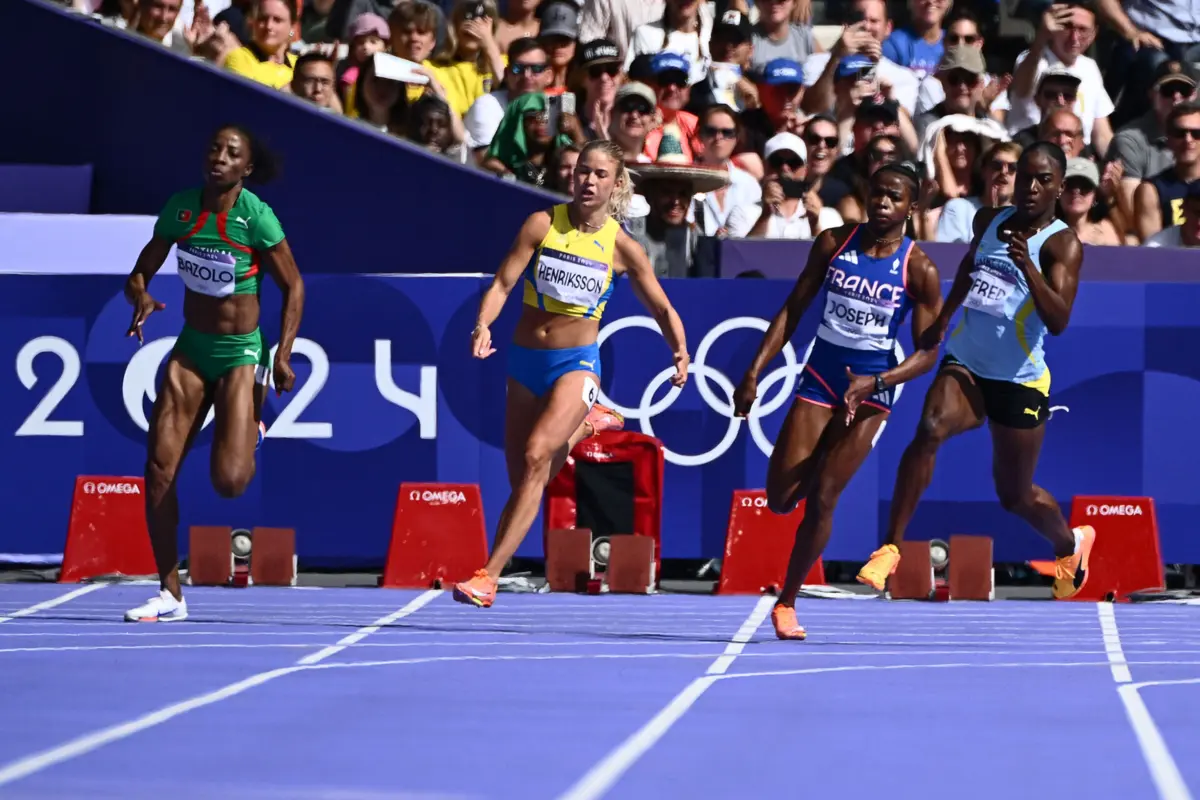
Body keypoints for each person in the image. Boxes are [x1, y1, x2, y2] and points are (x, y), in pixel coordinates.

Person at [454, 139, 691, 608]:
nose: (589, 181)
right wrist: (483, 324)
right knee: (525, 477)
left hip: (576, 365)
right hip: (525, 361)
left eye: (600, 174)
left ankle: (488, 576)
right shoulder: (541, 224)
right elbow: (503, 283)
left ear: (616, 185)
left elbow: (661, 307)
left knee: (537, 454)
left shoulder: (621, 247)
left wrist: (680, 350)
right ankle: (586, 425)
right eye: (583, 170)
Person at [859, 142, 1096, 601]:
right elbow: (971, 265)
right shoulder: (989, 220)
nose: (1030, 186)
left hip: (1018, 379)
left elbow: (1059, 320)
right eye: (1024, 176)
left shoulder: (1062, 244)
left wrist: (1027, 266)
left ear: (1060, 187)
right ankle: (890, 546)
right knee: (929, 428)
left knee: (1015, 495)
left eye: (1043, 179)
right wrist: (944, 318)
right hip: (967, 361)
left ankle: (1070, 544)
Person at [733, 161, 945, 641]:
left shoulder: (919, 268)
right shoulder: (833, 243)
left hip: (872, 391)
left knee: (826, 495)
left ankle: (787, 602)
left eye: (894, 196)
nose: (883, 202)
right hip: (821, 377)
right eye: (877, 192)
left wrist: (878, 381)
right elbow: (793, 308)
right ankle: (823, 462)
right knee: (780, 498)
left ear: (912, 207)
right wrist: (753, 372)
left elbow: (928, 353)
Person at [121, 125, 305, 622]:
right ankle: (170, 593)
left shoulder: (257, 217)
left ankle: (253, 425)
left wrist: (283, 353)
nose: (219, 157)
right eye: (214, 149)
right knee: (158, 470)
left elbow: (294, 286)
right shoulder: (181, 208)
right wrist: (140, 295)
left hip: (241, 352)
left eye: (232, 153)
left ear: (247, 167)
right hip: (191, 348)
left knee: (229, 481)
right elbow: (139, 271)